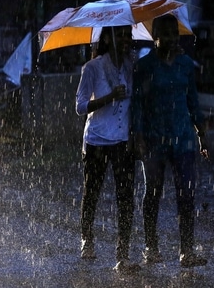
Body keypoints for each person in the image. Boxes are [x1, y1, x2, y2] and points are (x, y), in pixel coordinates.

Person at [132, 14, 209, 268]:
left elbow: (193, 102)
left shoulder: (186, 65)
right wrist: (139, 136)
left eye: (175, 34)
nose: (172, 39)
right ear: (155, 38)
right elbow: (138, 105)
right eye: (166, 34)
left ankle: (186, 250)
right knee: (152, 193)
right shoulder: (145, 67)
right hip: (154, 140)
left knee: (186, 194)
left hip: (183, 139)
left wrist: (202, 135)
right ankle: (150, 247)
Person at [75, 26, 140, 273]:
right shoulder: (92, 68)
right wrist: (109, 97)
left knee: (126, 198)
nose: (125, 39)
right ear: (107, 38)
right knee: (92, 192)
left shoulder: (129, 65)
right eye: (120, 34)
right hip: (97, 141)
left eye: (127, 34)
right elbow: (80, 107)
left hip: (123, 141)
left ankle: (122, 254)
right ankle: (87, 239)